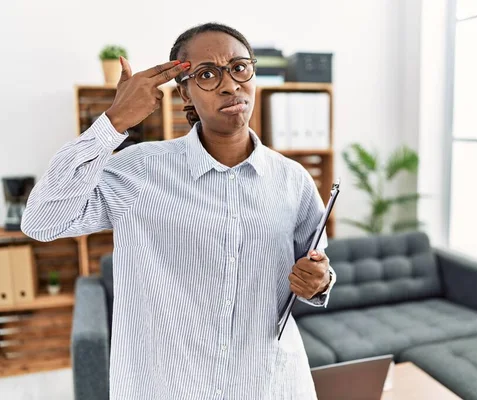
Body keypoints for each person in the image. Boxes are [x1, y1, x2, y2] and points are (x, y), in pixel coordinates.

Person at [21, 22, 336, 400]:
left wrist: (320, 281)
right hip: (169, 386)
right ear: (184, 92)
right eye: (206, 75)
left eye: (239, 67)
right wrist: (114, 122)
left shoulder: (293, 181)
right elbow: (41, 221)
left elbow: (316, 268)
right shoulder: (139, 171)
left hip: (269, 384)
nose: (230, 85)